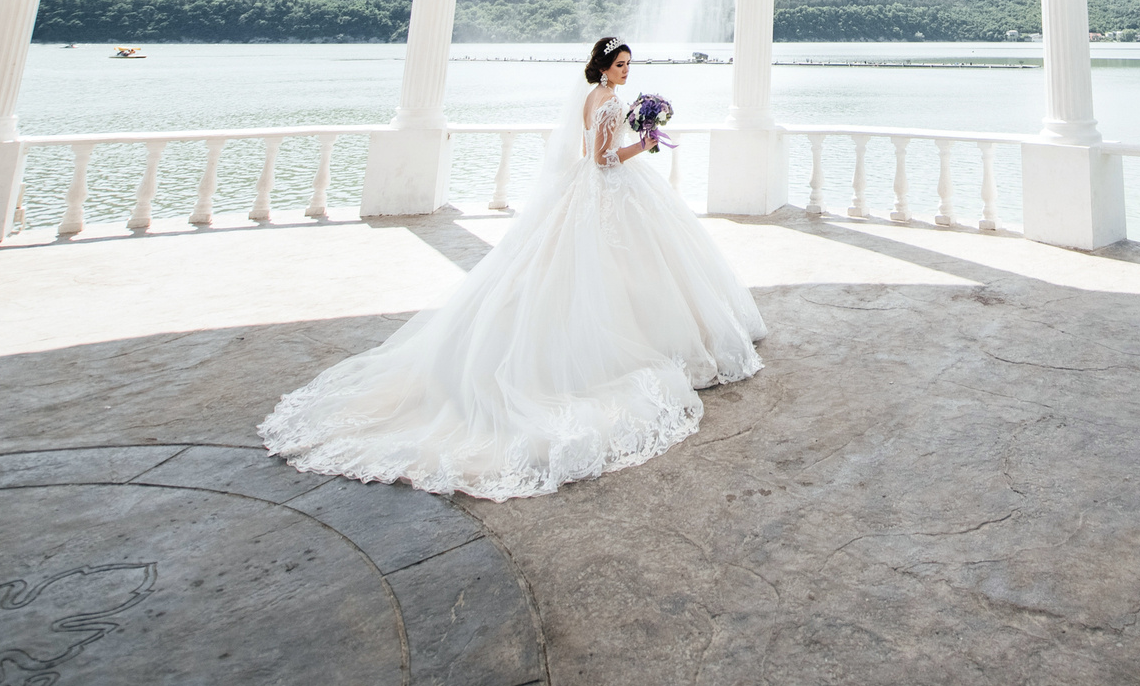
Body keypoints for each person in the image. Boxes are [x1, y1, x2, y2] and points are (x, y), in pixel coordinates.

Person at [260, 36, 765, 500]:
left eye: (629, 65)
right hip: (609, 191)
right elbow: (602, 162)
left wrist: (633, 133)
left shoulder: (592, 99)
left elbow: (586, 151)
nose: (626, 72)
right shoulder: (608, 102)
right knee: (627, 270)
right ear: (603, 68)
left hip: (590, 196)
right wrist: (646, 143)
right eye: (619, 65)